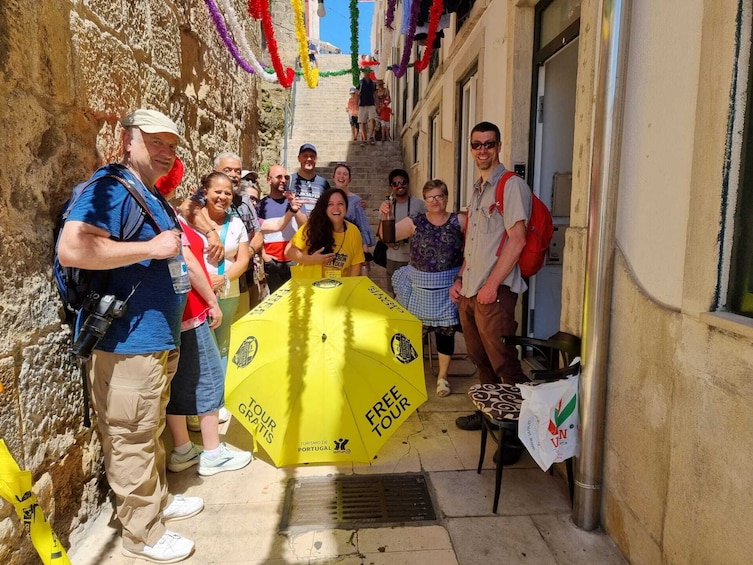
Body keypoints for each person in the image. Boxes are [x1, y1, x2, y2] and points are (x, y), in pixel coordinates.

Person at [57, 109, 202, 563]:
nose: (165, 152)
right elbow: (74, 246)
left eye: (172, 145)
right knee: (130, 436)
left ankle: (154, 505)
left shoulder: (147, 194)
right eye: (155, 142)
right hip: (126, 344)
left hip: (153, 339)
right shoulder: (110, 188)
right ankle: (143, 535)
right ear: (127, 140)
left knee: (148, 427)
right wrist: (151, 247)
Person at [156, 164, 253, 478]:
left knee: (178, 382)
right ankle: (213, 452)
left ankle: (183, 448)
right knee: (210, 379)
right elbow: (189, 261)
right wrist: (212, 300)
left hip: (175, 310)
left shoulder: (166, 214)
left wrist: (210, 231)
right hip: (193, 308)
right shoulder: (174, 216)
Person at [449, 121, 531, 462]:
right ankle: (488, 415)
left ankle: (515, 436)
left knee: (504, 363)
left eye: (489, 144)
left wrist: (492, 284)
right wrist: (461, 279)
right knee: (480, 358)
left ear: (499, 146)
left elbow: (518, 239)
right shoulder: (478, 188)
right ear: (471, 149)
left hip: (493, 294)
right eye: (477, 144)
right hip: (471, 291)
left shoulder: (510, 186)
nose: (483, 150)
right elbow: (475, 242)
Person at [382, 179, 464, 396]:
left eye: (439, 196)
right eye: (430, 197)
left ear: (446, 198)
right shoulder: (415, 222)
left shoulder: (460, 221)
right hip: (419, 288)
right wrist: (385, 215)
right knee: (412, 334)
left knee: (445, 333)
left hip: (448, 287)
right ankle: (409, 376)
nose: (435, 201)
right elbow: (387, 236)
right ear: (425, 201)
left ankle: (442, 378)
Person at [199, 172, 251, 369]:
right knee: (202, 345)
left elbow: (243, 260)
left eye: (227, 193)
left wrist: (223, 278)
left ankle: (221, 393)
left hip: (228, 292)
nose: (222, 197)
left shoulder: (236, 224)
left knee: (223, 345)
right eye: (217, 191)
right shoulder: (192, 219)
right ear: (206, 192)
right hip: (198, 294)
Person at [285, 188, 365, 278]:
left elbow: (356, 264)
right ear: (325, 208)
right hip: (308, 287)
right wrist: (312, 259)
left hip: (339, 288)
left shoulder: (353, 231)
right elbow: (289, 251)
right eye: (330, 204)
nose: (336, 208)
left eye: (340, 204)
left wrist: (349, 288)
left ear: (346, 207)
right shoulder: (312, 226)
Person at [258, 164, 308, 292]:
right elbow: (257, 232)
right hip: (272, 262)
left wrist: (295, 208)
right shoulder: (261, 205)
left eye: (286, 177)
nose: (283, 180)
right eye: (279, 177)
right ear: (269, 180)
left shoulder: (295, 201)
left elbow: (305, 225)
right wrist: (264, 256)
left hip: (294, 260)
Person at [379, 169, 426, 296]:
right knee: (395, 294)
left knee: (415, 295)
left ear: (408, 183)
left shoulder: (420, 205)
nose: (400, 185)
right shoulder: (387, 207)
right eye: (395, 183)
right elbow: (380, 230)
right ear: (391, 187)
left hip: (415, 258)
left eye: (403, 182)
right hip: (394, 257)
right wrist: (386, 241)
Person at [332, 163, 375, 270]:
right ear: (333, 177)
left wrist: (365, 251)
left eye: (345, 174)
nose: (341, 177)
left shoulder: (356, 201)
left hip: (351, 246)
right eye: (339, 173)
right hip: (333, 246)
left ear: (349, 179)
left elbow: (362, 226)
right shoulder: (328, 198)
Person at [289, 143, 331, 216]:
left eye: (312, 156)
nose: (309, 159)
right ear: (299, 158)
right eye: (305, 156)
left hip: (317, 225)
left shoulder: (323, 183)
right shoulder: (289, 180)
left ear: (315, 159)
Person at [357, 69, 378, 145]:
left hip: (371, 104)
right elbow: (357, 94)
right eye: (365, 72)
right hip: (362, 105)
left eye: (368, 72)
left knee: (372, 120)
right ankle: (364, 139)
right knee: (362, 122)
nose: (366, 73)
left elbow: (375, 94)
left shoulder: (373, 83)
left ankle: (371, 136)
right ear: (363, 73)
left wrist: (377, 105)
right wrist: (356, 105)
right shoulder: (360, 83)